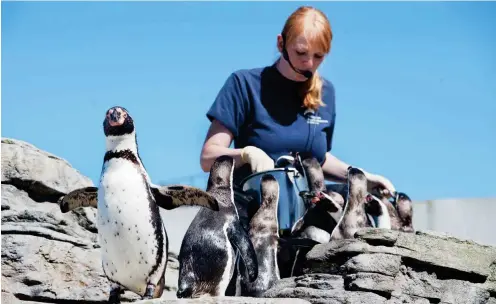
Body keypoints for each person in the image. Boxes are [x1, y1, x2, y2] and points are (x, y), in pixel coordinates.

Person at [199, 6, 396, 229]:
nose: (309, 63)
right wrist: (246, 154)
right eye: (301, 53)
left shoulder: (326, 93)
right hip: (252, 212)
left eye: (318, 56)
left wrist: (359, 178)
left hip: (307, 210)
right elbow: (208, 158)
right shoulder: (244, 84)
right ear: (281, 44)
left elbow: (318, 159)